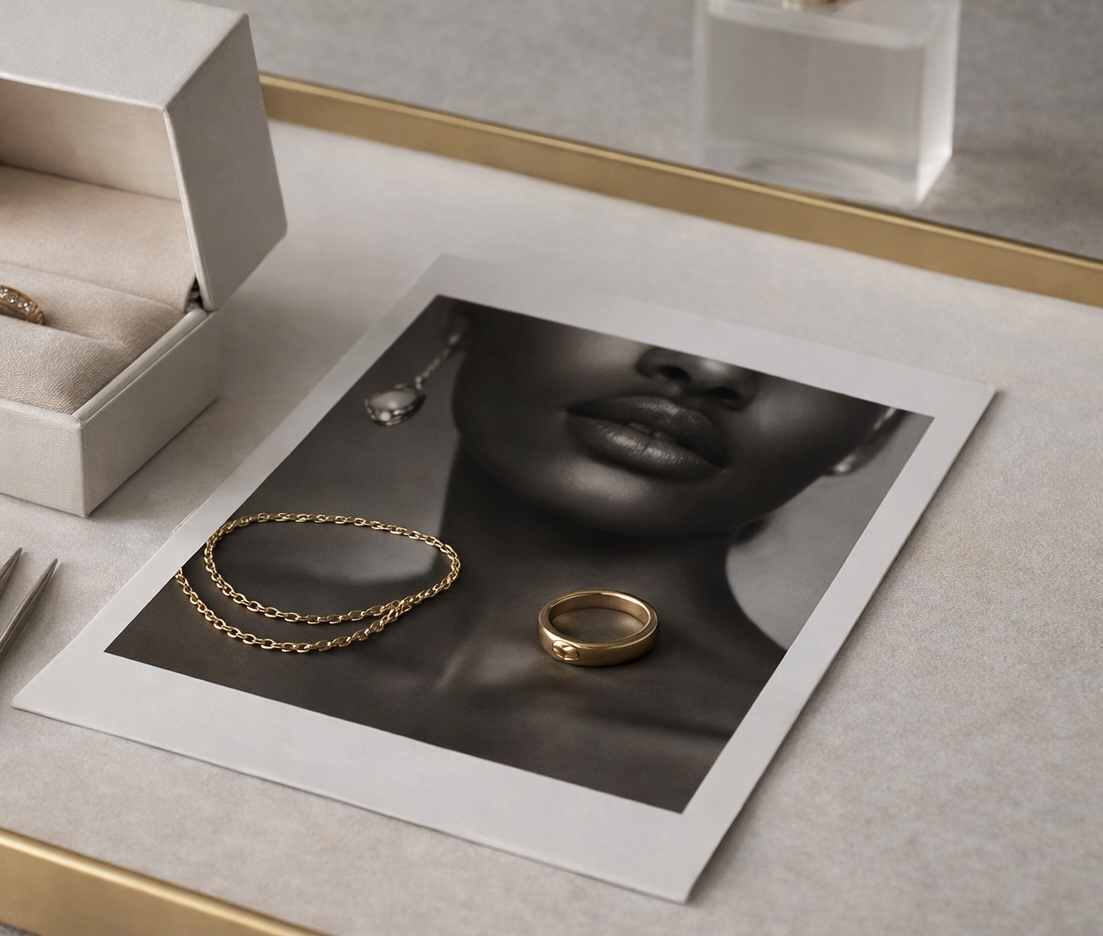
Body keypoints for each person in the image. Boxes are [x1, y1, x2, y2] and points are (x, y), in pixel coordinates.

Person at [112, 301, 893, 811]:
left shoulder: (801, 784)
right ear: (466, 318)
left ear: (872, 437)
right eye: (647, 298)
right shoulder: (167, 608)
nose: (711, 371)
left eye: (822, 350)